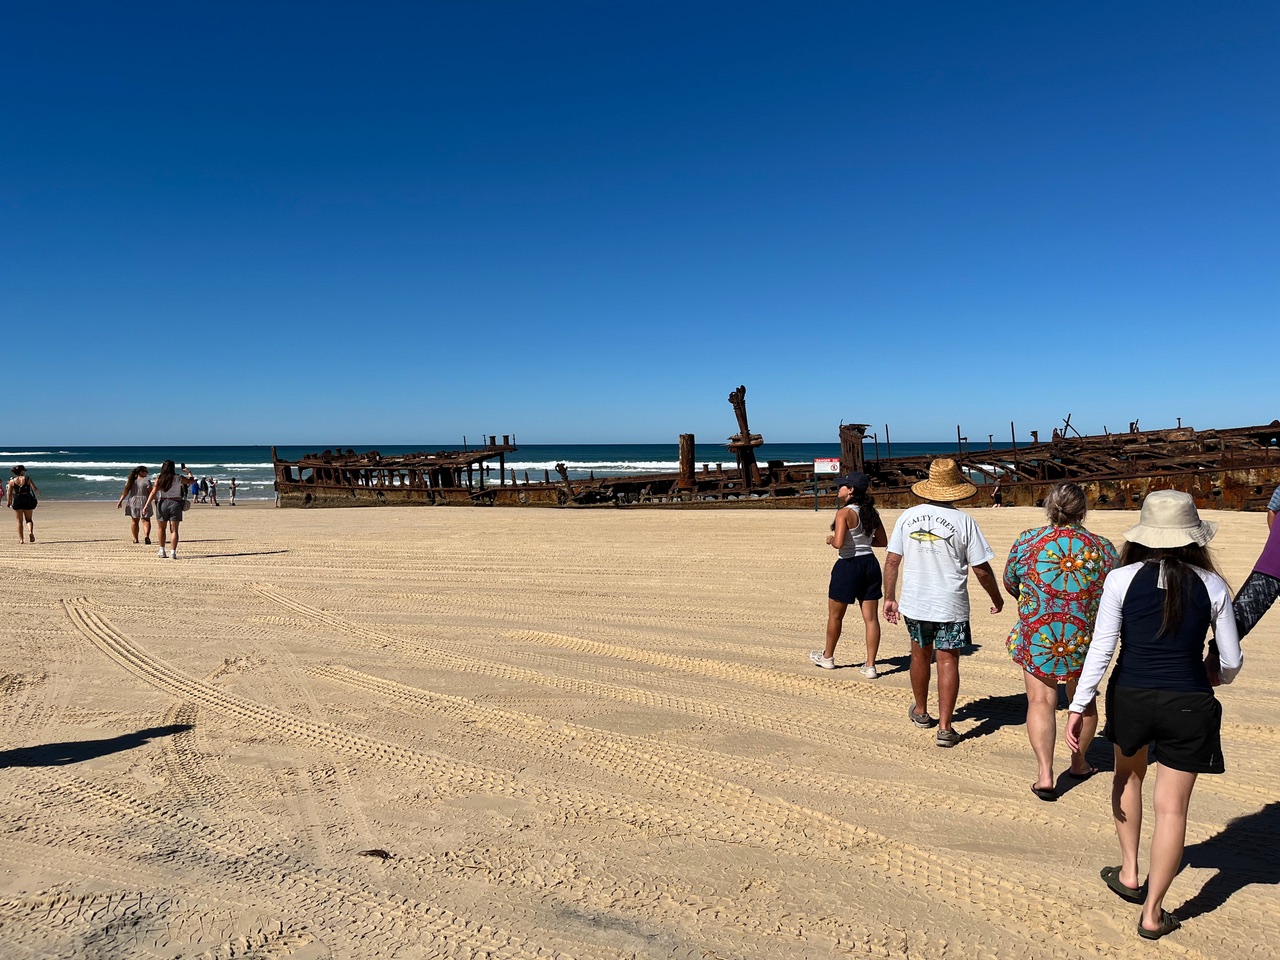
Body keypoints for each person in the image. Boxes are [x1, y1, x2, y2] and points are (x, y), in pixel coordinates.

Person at [1066, 490, 1242, 941]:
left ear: (1143, 535)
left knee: (1128, 777)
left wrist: (1080, 703)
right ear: (1194, 537)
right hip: (1189, 700)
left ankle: (1129, 871)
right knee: (1173, 808)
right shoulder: (1213, 585)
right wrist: (1216, 675)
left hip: (1131, 695)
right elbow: (1231, 660)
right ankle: (1153, 912)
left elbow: (1102, 648)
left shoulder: (1120, 579)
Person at [1003, 482, 1117, 801]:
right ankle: (1079, 763)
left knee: (1040, 701)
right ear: (1083, 511)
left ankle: (1045, 774)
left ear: (1049, 508)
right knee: (1083, 700)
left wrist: (1032, 600)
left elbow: (1010, 580)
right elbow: (1115, 590)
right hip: (1083, 634)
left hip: (1039, 633)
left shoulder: (1027, 540)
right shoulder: (1103, 547)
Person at [883, 459, 1004, 747]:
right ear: (956, 490)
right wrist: (996, 597)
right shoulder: (965, 521)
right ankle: (946, 727)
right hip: (950, 603)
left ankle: (921, 711)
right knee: (948, 660)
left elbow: (891, 561)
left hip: (916, 601)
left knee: (919, 655)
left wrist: (889, 597)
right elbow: (981, 568)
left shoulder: (907, 517)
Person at [810, 472, 887, 676]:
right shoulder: (871, 512)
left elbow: (839, 543)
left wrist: (830, 539)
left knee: (836, 616)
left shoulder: (843, 513)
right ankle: (870, 665)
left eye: (842, 486)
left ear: (851, 490)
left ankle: (828, 657)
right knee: (871, 619)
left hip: (848, 564)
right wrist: (864, 542)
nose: (839, 489)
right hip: (869, 563)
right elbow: (882, 541)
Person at [1227, 494, 1280, 641]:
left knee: (1233, 627)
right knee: (1233, 627)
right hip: (1272, 566)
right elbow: (1273, 510)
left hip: (1271, 566)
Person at [143, 460, 193, 560]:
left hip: (163, 503)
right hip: (175, 503)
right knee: (174, 530)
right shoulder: (178, 477)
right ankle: (173, 552)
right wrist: (189, 472)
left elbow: (153, 492)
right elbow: (191, 481)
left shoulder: (160, 478)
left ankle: (162, 550)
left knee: (161, 528)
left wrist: (146, 505)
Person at [115, 465, 154, 545]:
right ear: (141, 472)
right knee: (146, 520)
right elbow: (151, 493)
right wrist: (156, 500)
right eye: (145, 471)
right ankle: (146, 536)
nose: (147, 473)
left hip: (133, 501)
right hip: (144, 501)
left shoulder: (131, 481)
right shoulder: (147, 481)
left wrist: (120, 501)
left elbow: (125, 492)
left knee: (134, 521)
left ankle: (135, 539)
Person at [6, 465, 39, 544]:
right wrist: (39, 492)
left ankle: (21, 540)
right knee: (29, 519)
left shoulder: (12, 481)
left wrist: (9, 502)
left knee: (19, 521)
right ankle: (30, 532)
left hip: (17, 499)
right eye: (24, 470)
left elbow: (9, 493)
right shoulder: (27, 478)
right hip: (27, 498)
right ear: (21, 471)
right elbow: (34, 488)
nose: (25, 472)